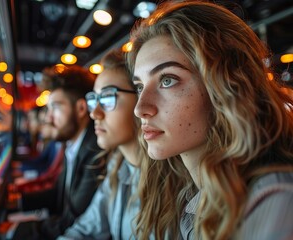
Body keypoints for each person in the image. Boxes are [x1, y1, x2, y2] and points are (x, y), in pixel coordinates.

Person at [126, 1, 293, 240]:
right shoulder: (181, 193)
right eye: (140, 86)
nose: (140, 108)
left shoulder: (275, 200)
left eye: (167, 80)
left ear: (227, 86)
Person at [57, 48, 153, 239]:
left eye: (108, 97)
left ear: (141, 100)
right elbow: (86, 229)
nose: (95, 113)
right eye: (95, 99)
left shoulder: (174, 185)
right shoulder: (116, 168)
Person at [9, 64, 107, 239]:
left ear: (81, 108)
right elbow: (58, 195)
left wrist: (14, 231)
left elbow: (72, 220)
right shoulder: (72, 144)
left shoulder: (95, 149)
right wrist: (17, 201)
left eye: (55, 107)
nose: (48, 117)